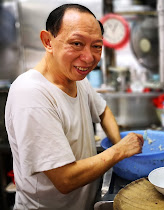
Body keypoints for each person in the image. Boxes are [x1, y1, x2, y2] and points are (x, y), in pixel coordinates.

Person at [5, 4, 144, 210]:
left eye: (96, 46)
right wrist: (120, 151)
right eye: (77, 43)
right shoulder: (31, 94)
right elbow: (65, 179)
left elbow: (102, 111)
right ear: (48, 41)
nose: (88, 58)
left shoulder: (76, 78)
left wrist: (121, 144)